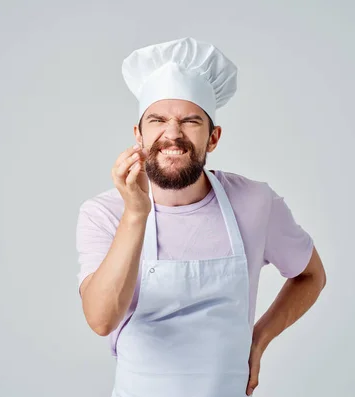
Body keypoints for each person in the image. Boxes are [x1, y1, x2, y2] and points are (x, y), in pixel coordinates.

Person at [76, 37, 327, 397]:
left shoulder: (255, 202)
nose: (172, 133)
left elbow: (311, 275)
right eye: (157, 120)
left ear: (213, 138)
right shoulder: (104, 212)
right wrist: (135, 213)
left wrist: (258, 339)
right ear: (139, 135)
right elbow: (101, 319)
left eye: (190, 120)